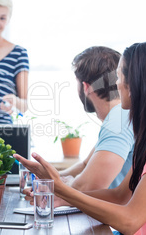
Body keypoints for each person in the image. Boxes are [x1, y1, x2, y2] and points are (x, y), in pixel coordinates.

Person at [15, 42, 146, 235]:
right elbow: (120, 196)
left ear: (135, 84)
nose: (117, 84)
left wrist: (62, 189)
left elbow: (131, 221)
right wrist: (62, 198)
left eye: (119, 76)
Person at [59, 46, 134, 191]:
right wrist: (47, 177)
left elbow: (89, 187)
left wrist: (51, 184)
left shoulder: (117, 120)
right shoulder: (121, 114)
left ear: (86, 87)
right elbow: (86, 165)